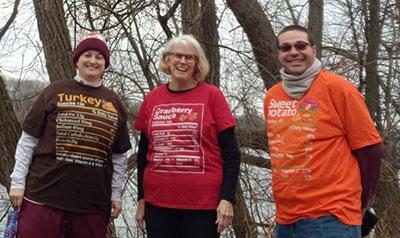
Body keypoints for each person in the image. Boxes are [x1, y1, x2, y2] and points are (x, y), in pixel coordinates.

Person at [263, 25, 384, 238]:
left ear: (314, 50)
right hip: (286, 219)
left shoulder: (339, 89)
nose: (293, 52)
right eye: (286, 47)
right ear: (278, 54)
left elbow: (371, 149)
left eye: (301, 45)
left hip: (332, 217)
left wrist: (361, 204)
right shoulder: (272, 96)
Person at [9, 32, 132, 238]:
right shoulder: (54, 91)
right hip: (43, 197)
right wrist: (18, 182)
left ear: (105, 63)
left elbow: (119, 156)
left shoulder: (114, 101)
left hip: (91, 204)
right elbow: (28, 140)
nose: (93, 61)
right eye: (87, 55)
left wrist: (116, 195)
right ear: (77, 59)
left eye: (99, 57)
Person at [134, 34, 240, 238]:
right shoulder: (152, 98)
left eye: (189, 58)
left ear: (197, 64)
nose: (182, 62)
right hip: (158, 203)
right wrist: (141, 200)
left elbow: (231, 153)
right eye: (178, 56)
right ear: (167, 59)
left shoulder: (212, 96)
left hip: (202, 205)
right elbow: (142, 155)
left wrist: (227, 199)